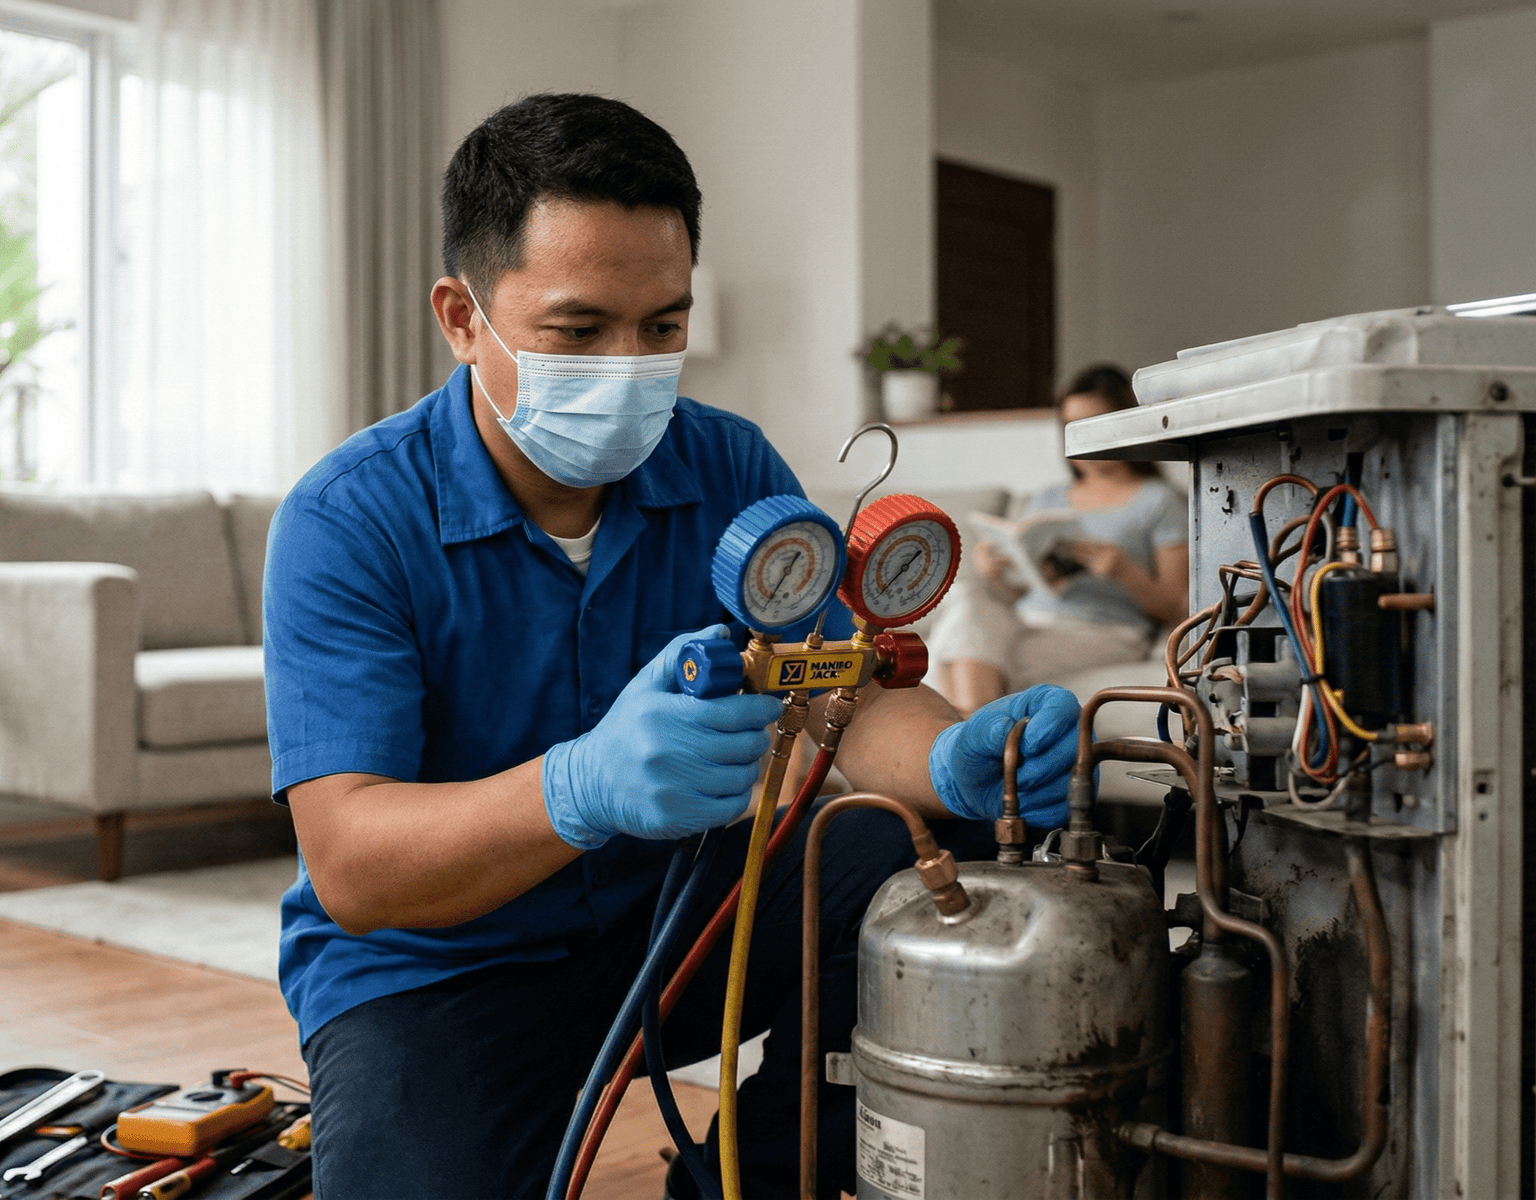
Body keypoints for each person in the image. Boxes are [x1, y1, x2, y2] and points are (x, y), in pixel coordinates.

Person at [263, 93, 1082, 1200]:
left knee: (918, 846)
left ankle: (744, 1171)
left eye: (662, 326)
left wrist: (947, 759)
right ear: (462, 317)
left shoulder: (728, 466)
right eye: (577, 329)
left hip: (680, 913)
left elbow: (843, 690)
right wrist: (577, 787)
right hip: (437, 969)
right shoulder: (349, 518)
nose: (629, 367)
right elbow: (352, 865)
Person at [928, 364, 1188, 715]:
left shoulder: (1159, 500)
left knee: (963, 653)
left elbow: (1175, 607)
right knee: (968, 596)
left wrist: (1124, 570)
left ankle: (964, 734)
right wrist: (995, 572)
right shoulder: (1048, 498)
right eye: (1072, 426)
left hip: (1108, 630)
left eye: (1096, 424)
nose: (1084, 437)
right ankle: (976, 735)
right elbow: (1014, 593)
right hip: (1030, 618)